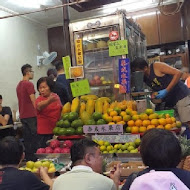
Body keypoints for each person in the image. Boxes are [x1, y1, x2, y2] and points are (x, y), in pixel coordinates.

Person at [122, 129, 190, 190]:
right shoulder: (187, 178)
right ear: (178, 153)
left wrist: (115, 181)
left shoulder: (134, 178)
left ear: (144, 154)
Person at [131, 58, 190, 124]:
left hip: (180, 95)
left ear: (145, 68)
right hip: (170, 100)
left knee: (187, 120)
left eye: (139, 71)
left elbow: (178, 73)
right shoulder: (144, 77)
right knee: (174, 123)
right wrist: (154, 96)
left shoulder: (156, 66)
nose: (138, 74)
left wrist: (166, 90)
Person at [53, 138, 121, 190]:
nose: (102, 159)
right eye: (100, 155)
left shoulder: (57, 182)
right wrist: (115, 181)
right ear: (88, 158)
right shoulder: (106, 183)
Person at [16, 64, 37, 161]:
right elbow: (33, 101)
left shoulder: (18, 85)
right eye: (32, 71)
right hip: (31, 115)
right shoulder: (29, 84)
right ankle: (36, 158)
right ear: (28, 72)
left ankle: (29, 159)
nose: (33, 74)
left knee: (27, 139)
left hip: (23, 115)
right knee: (35, 138)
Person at [36, 77, 62, 148]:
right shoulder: (39, 99)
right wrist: (49, 101)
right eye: (40, 88)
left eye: (44, 87)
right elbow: (39, 106)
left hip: (56, 131)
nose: (42, 90)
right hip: (44, 133)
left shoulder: (56, 96)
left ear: (50, 87)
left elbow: (60, 109)